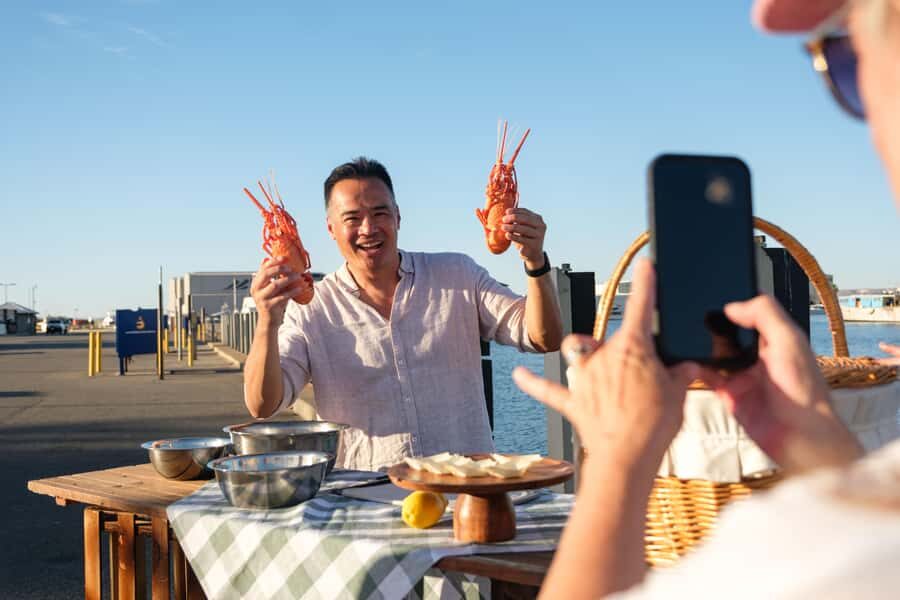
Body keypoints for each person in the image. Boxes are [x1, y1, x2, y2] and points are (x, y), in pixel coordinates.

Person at [513, 0, 900, 597]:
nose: (868, 113)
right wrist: (823, 453)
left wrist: (617, 463)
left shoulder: (795, 558)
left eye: (847, 60)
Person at [244, 157, 562, 470]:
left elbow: (541, 337)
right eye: (352, 218)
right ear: (331, 228)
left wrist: (535, 263)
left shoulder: (458, 274)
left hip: (465, 489)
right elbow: (263, 405)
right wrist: (267, 323)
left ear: (398, 217)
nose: (368, 228)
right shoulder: (311, 308)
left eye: (380, 213)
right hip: (365, 496)